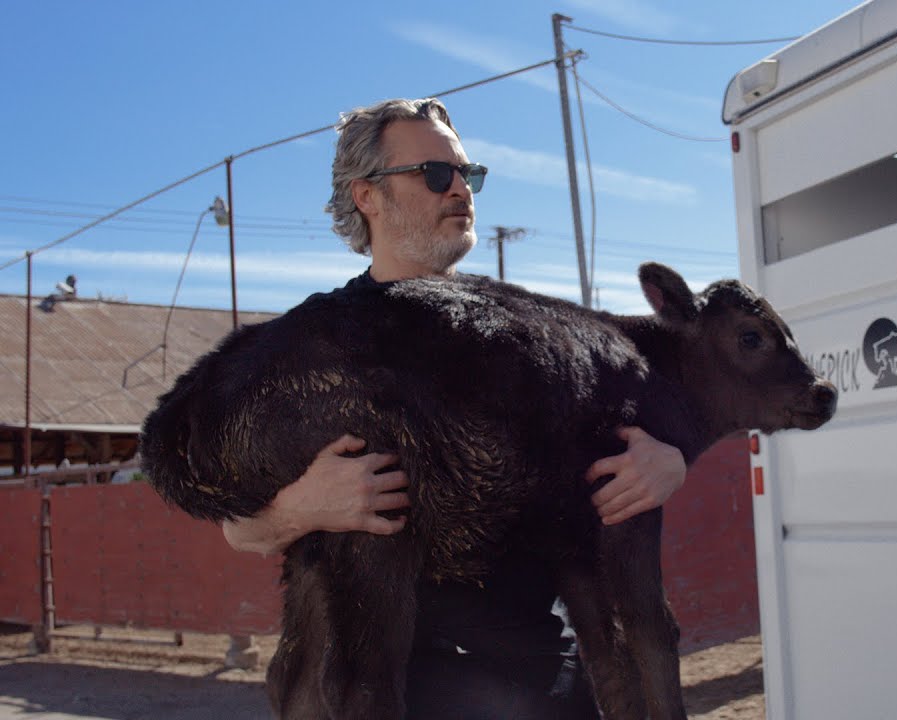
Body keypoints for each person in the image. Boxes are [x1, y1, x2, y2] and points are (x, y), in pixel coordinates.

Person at [219, 97, 687, 718]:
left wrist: (667, 458)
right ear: (368, 196)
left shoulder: (534, 332)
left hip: (543, 684)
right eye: (437, 174)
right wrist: (302, 507)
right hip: (383, 694)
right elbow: (237, 527)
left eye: (469, 174)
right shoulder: (309, 347)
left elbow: (649, 424)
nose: (461, 189)